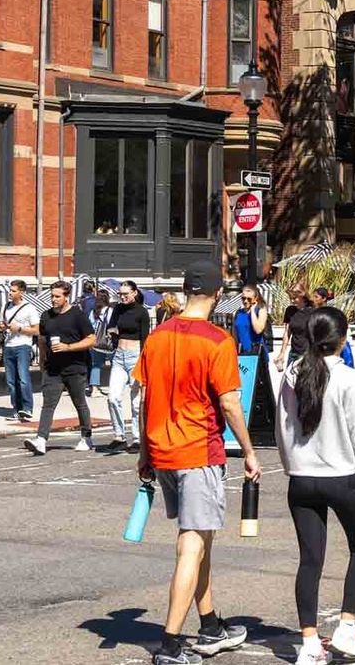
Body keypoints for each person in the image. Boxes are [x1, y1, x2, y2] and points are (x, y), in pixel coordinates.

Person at [133, 260, 260, 665]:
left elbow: (144, 399)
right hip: (198, 450)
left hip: (162, 449)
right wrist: (250, 451)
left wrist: (143, 452)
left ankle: (209, 625)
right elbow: (229, 403)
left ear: (186, 291)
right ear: (217, 295)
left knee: (201, 538)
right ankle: (170, 644)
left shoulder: (156, 336)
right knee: (192, 543)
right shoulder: (217, 340)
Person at [269, 305, 355, 665]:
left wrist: (291, 466)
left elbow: (281, 428)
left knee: (310, 560)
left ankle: (308, 644)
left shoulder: (292, 374)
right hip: (342, 477)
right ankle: (347, 625)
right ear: (342, 339)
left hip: (301, 479)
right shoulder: (348, 378)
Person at [23, 281, 98, 455]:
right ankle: (41, 439)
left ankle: (86, 437)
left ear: (66, 296)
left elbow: (91, 339)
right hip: (53, 368)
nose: (53, 299)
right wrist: (42, 361)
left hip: (75, 366)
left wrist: (68, 347)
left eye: (57, 296)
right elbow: (42, 339)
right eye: (52, 296)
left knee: (79, 403)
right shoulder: (46, 315)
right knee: (48, 404)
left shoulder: (77, 315)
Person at [106, 281, 150, 452]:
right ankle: (119, 435)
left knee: (136, 401)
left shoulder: (142, 312)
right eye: (120, 294)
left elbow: (145, 338)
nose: (122, 297)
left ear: (134, 293)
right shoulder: (118, 308)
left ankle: (138, 439)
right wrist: (112, 333)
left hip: (135, 356)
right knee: (113, 397)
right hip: (118, 356)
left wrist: (144, 361)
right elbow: (111, 326)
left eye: (126, 294)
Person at [0, 279, 39, 422]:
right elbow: (3, 324)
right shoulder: (6, 307)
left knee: (23, 378)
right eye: (10, 290)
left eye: (14, 291)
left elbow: (37, 330)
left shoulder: (29, 308)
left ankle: (27, 408)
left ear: (22, 292)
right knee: (11, 381)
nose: (10, 293)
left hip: (23, 345)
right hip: (8, 345)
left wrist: (20, 329)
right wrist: (2, 327)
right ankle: (16, 409)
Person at [232, 284, 270, 358]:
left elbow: (258, 330)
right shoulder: (237, 313)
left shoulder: (260, 310)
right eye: (243, 298)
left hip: (257, 353)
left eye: (249, 299)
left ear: (255, 299)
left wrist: (252, 311)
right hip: (242, 353)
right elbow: (235, 337)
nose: (246, 301)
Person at [89, 289, 114, 397]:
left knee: (96, 365)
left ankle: (94, 388)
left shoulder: (93, 311)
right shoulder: (110, 310)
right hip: (108, 341)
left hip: (96, 341)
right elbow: (111, 324)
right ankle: (113, 387)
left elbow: (90, 324)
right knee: (115, 365)